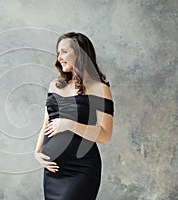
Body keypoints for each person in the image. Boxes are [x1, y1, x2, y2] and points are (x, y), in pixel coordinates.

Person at [34, 32, 114, 200]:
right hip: (53, 169)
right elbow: (46, 124)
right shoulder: (54, 85)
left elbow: (105, 136)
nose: (59, 58)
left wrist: (69, 124)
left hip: (81, 169)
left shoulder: (99, 89)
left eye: (64, 52)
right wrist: (37, 152)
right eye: (58, 53)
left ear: (80, 54)